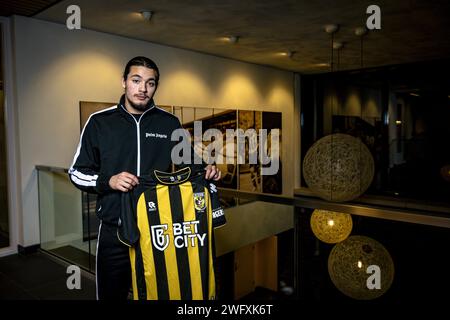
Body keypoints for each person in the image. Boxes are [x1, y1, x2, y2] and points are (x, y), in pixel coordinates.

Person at [68, 56, 221, 300]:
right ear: (124, 82)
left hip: (157, 231)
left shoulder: (168, 123)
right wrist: (109, 181)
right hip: (114, 230)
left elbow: (191, 165)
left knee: (159, 294)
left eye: (150, 83)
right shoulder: (99, 123)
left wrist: (208, 171)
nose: (143, 89)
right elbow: (76, 173)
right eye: (136, 80)